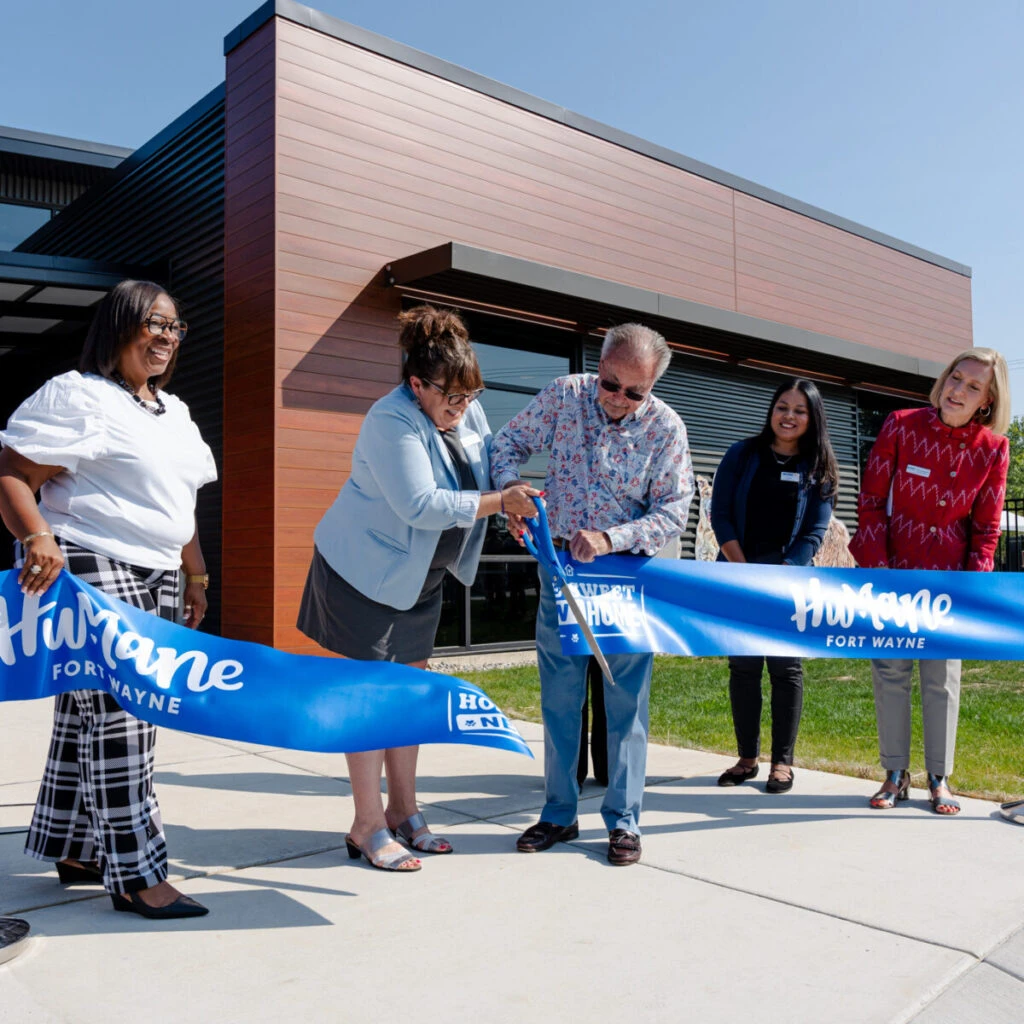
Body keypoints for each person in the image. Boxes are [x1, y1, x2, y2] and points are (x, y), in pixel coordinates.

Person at [0, 280, 217, 918]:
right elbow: (13, 472)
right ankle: (136, 874)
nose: (167, 338)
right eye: (154, 323)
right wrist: (37, 534)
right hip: (91, 560)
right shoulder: (78, 396)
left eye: (176, 328)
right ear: (121, 324)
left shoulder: (172, 412)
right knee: (127, 715)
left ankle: (75, 847)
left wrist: (196, 574)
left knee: (85, 713)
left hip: (160, 570)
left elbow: (182, 506)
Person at [297, 305, 540, 872]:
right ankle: (366, 823)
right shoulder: (391, 420)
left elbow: (490, 460)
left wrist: (508, 491)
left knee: (407, 695)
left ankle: (405, 809)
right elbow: (421, 504)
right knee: (368, 699)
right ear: (416, 384)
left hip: (420, 578)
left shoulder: (466, 412)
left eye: (470, 398)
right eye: (450, 399)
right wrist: (497, 503)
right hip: (361, 576)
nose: (461, 410)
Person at [492, 323, 693, 866]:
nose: (620, 400)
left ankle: (624, 821)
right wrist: (512, 494)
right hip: (561, 570)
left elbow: (675, 509)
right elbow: (504, 442)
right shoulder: (563, 396)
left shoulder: (666, 428)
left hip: (625, 579)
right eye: (611, 384)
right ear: (599, 364)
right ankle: (558, 813)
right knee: (560, 698)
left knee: (625, 702)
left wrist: (612, 538)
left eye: (636, 392)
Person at [849, 348, 1010, 814]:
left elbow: (986, 529)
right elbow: (872, 501)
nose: (958, 390)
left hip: (950, 584)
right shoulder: (900, 424)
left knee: (942, 679)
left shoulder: (994, 450)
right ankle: (894, 774)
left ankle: (940, 778)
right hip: (892, 574)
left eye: (973, 386)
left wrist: (973, 587)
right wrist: (877, 569)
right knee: (891, 673)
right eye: (955, 378)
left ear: (987, 401)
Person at [711, 378, 838, 793]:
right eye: (782, 406)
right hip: (737, 575)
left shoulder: (819, 466)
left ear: (811, 417)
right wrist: (744, 569)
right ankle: (747, 758)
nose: (789, 416)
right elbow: (721, 514)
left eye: (799, 410)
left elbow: (815, 533)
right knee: (743, 667)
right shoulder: (742, 455)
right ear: (772, 410)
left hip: (787, 583)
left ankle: (782, 763)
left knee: (785, 668)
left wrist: (781, 574)